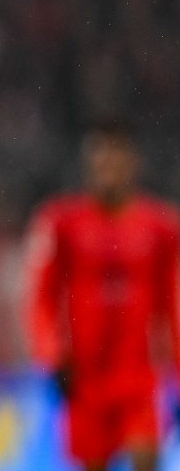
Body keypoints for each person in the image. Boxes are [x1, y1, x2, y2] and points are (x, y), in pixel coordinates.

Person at [25, 119, 180, 471]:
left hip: (138, 380)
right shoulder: (62, 223)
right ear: (89, 163)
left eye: (115, 156)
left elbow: (173, 306)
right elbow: (41, 298)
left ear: (132, 162)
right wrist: (50, 355)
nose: (107, 166)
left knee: (146, 458)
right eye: (100, 157)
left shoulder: (160, 228)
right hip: (85, 382)